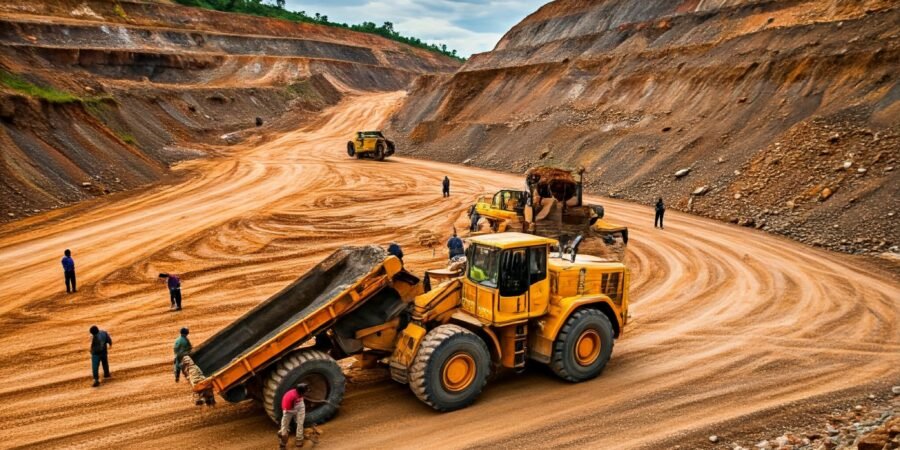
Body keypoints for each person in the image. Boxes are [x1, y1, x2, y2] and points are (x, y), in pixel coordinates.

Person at [279, 383, 316, 449]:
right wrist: (294, 412)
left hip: (299, 406)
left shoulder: (299, 394)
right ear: (301, 392)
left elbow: (300, 402)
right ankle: (283, 442)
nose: (305, 393)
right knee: (284, 427)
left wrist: (299, 413)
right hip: (288, 410)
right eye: (304, 392)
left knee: (300, 423)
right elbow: (286, 408)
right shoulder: (289, 397)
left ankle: (299, 440)